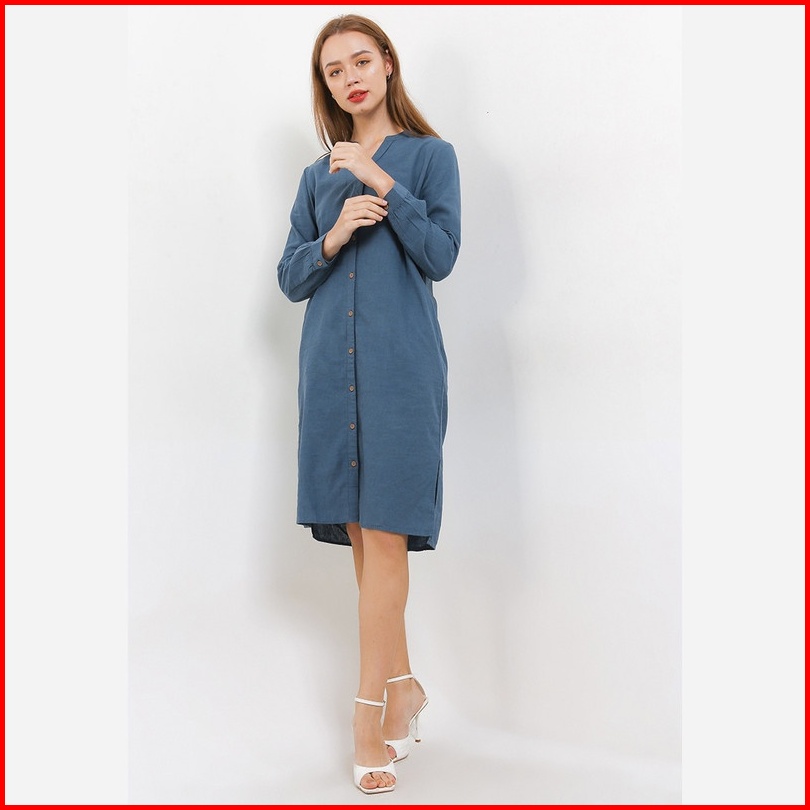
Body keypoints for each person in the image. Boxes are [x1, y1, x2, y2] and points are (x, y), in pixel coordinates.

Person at [277, 13, 461, 794]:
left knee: (385, 537)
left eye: (360, 60)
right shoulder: (315, 177)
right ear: (325, 86)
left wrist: (382, 183)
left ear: (387, 63)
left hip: (400, 374)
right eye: (333, 70)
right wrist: (333, 235)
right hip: (330, 373)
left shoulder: (431, 157)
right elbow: (289, 276)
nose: (349, 77)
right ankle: (405, 686)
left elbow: (441, 256)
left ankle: (366, 716)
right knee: (363, 542)